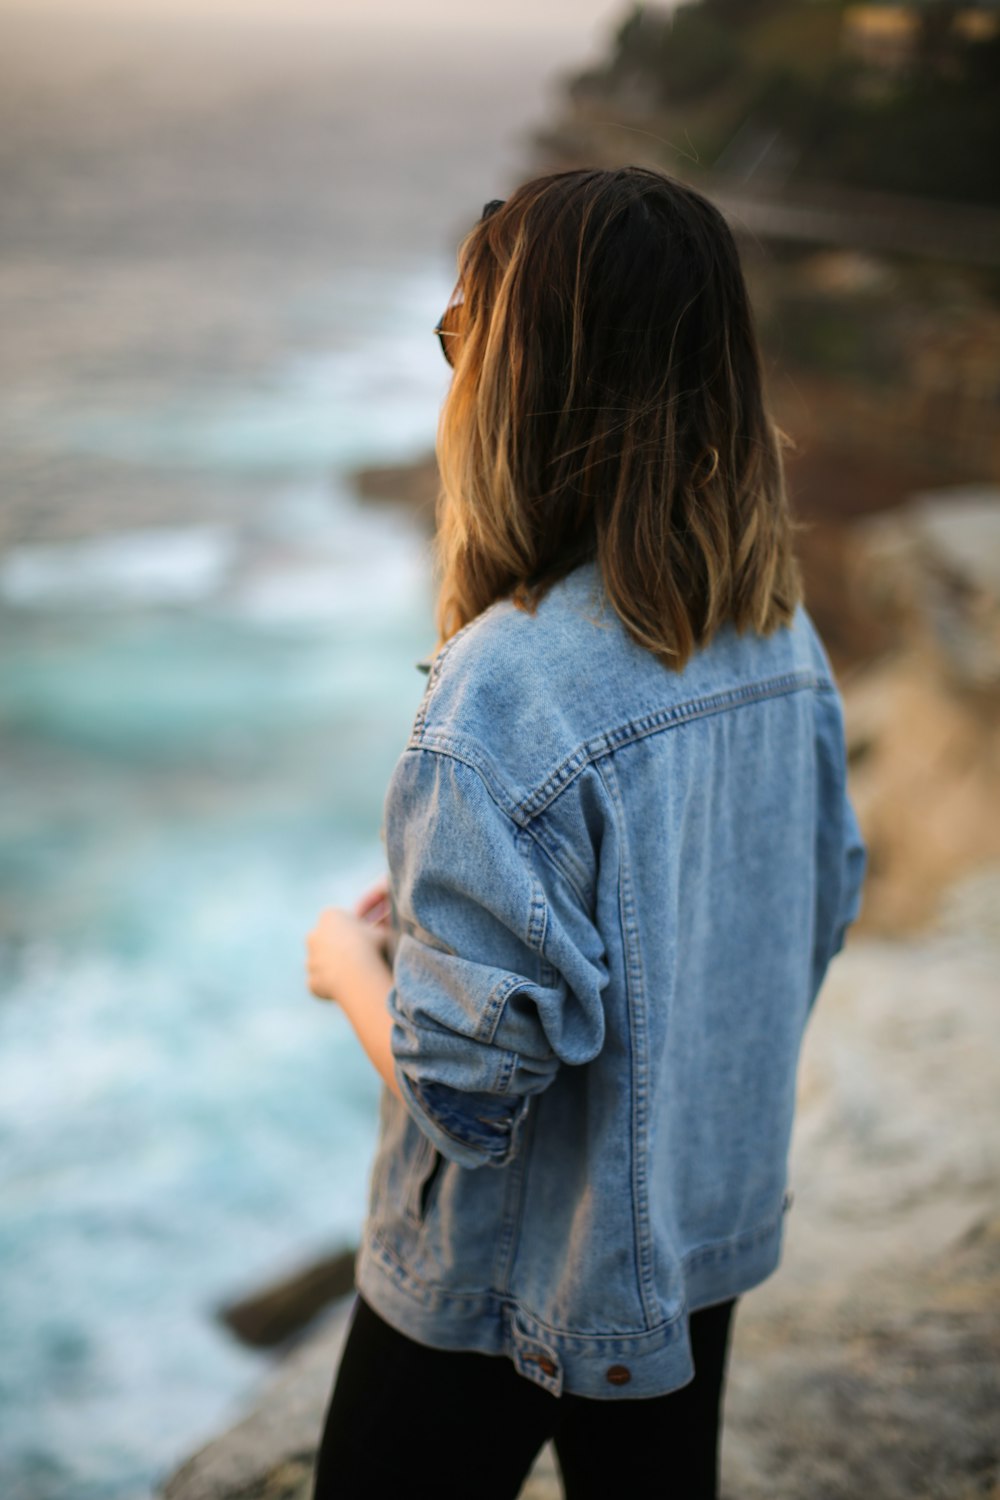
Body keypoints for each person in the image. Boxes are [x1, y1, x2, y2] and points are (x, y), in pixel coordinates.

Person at [304, 165, 867, 1500]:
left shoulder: (505, 685)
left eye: (464, 340)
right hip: (694, 1238)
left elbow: (463, 1093)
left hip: (497, 1287)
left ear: (517, 386)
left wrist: (350, 964)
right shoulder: (784, 634)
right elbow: (819, 903)